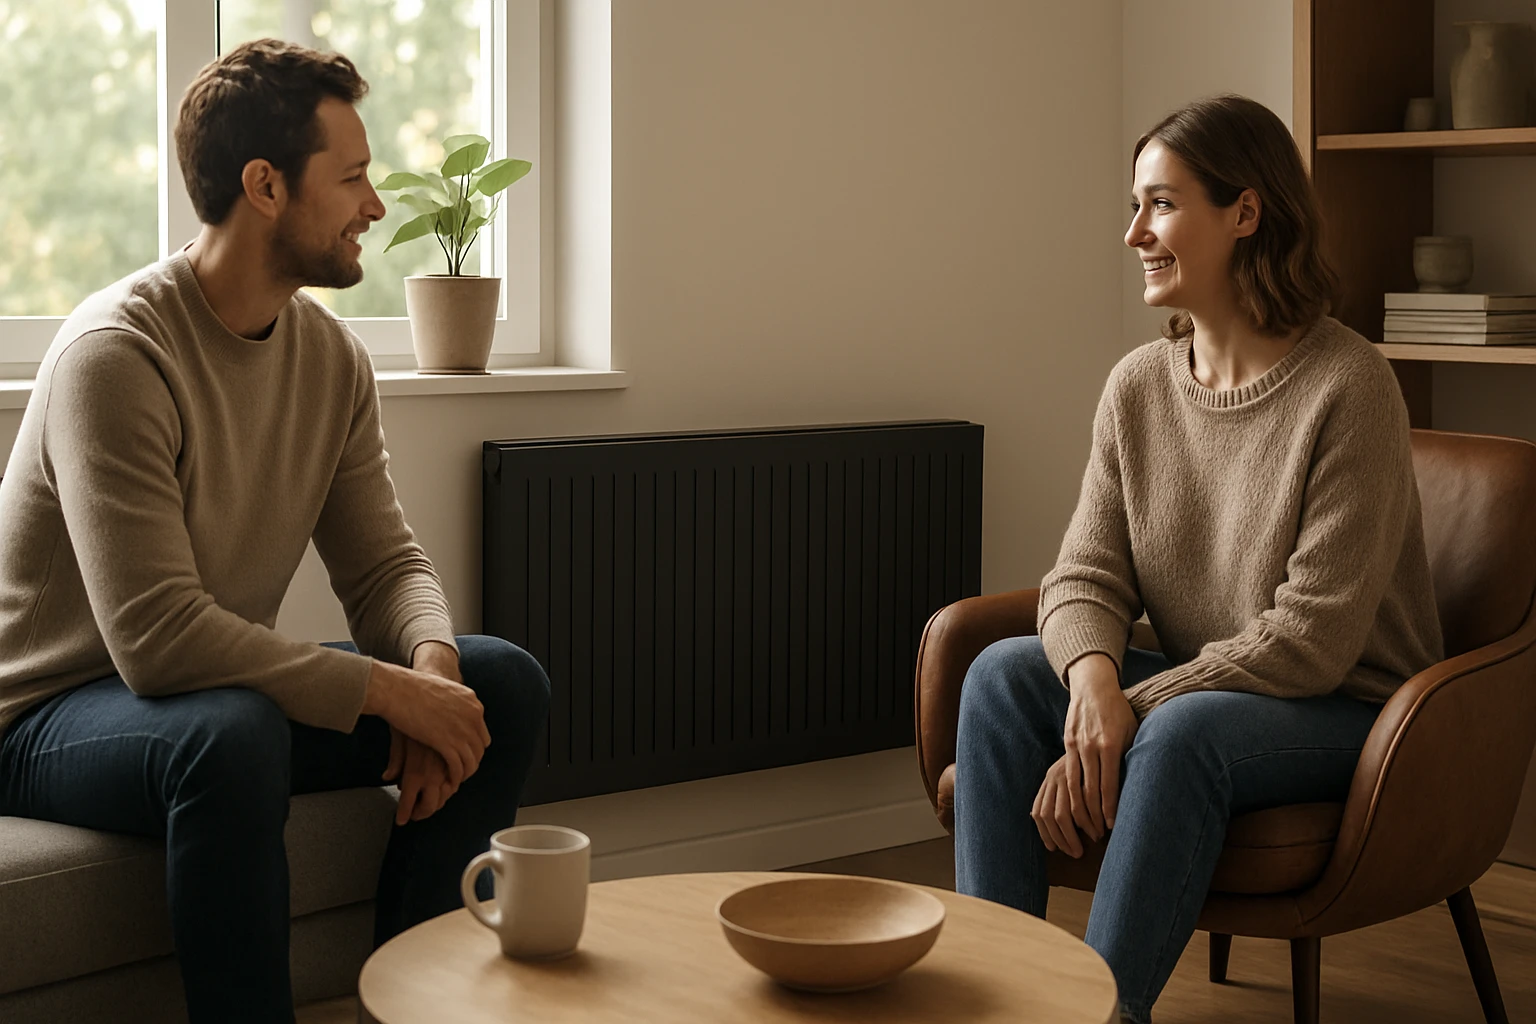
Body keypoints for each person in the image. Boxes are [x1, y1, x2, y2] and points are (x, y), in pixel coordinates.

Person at [0, 39, 550, 1023]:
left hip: (199, 695)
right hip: (44, 714)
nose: (376, 207)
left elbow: (383, 561)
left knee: (500, 680)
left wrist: (434, 670)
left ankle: (413, 1003)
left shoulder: (329, 356)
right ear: (265, 186)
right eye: (351, 178)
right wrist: (389, 694)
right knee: (231, 732)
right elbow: (159, 640)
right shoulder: (116, 356)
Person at [952, 95, 1444, 1024]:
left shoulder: (1351, 386)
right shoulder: (1138, 385)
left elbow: (1314, 640)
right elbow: (1084, 577)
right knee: (1000, 677)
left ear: (1246, 213)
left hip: (1352, 712)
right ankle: (996, 998)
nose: (1133, 230)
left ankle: (1105, 1013)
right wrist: (1094, 687)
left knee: (1181, 733)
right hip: (1208, 688)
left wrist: (1128, 710)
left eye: (1161, 204)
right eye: (1135, 206)